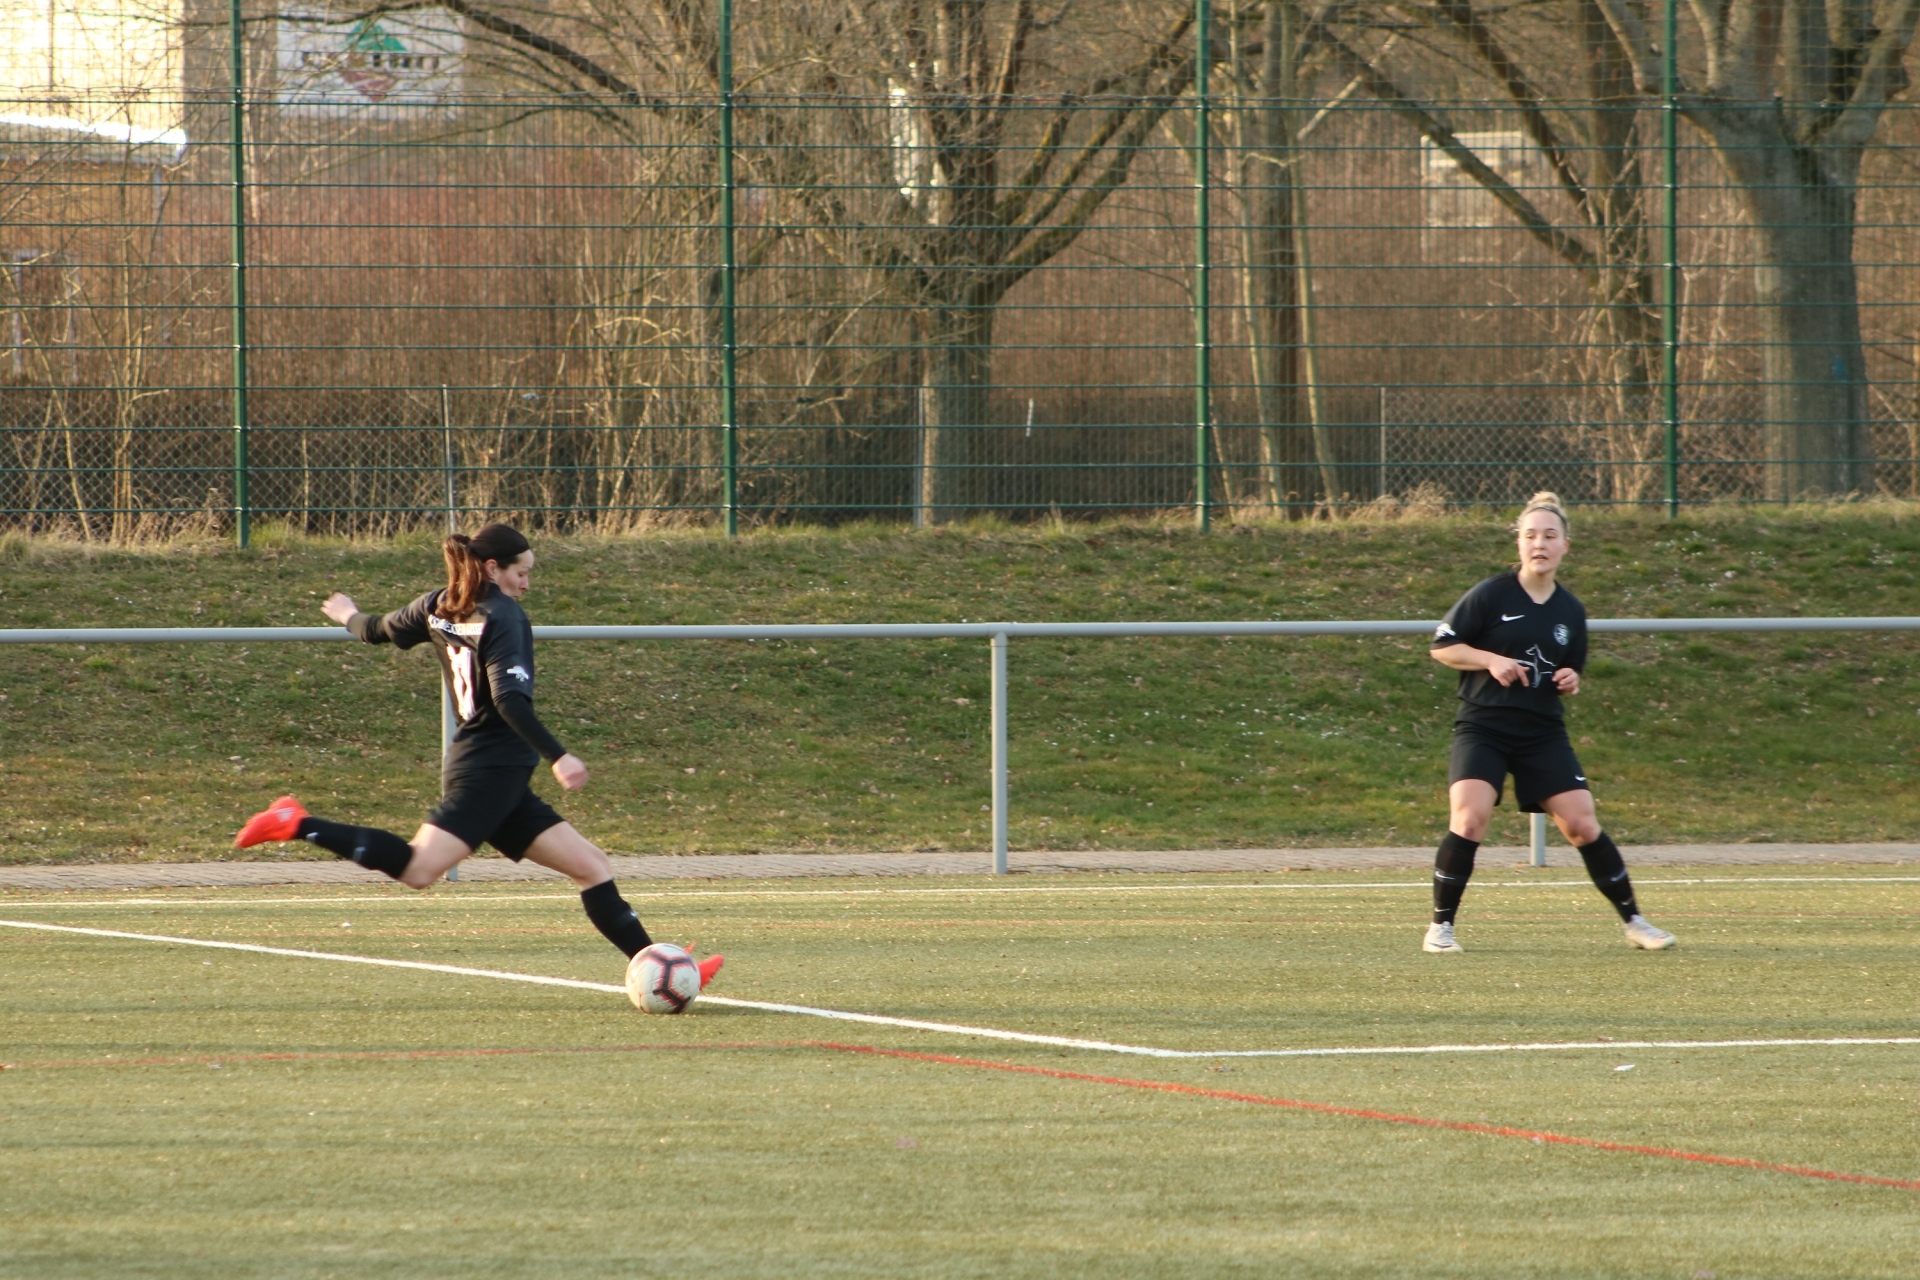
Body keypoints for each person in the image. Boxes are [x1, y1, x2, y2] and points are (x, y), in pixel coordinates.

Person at [234, 523, 722, 987]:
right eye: (521, 573)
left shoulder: (438, 604)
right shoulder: (504, 617)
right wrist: (558, 755)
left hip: (497, 774)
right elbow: (509, 700)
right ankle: (296, 822)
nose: (526, 584)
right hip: (489, 773)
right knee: (419, 870)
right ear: (492, 568)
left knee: (591, 866)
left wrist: (347, 614)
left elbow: (377, 629)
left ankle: (667, 968)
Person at [1423, 491, 1675, 954]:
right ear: (1518, 543)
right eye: (1531, 535)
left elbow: (1570, 667)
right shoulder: (1491, 594)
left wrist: (1570, 678)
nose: (1539, 543)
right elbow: (1443, 647)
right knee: (1470, 817)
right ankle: (1441, 928)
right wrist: (1489, 660)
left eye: (1550, 535)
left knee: (1582, 824)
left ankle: (1636, 922)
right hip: (1484, 725)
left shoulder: (1571, 611)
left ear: (1565, 545)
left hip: (1541, 732)